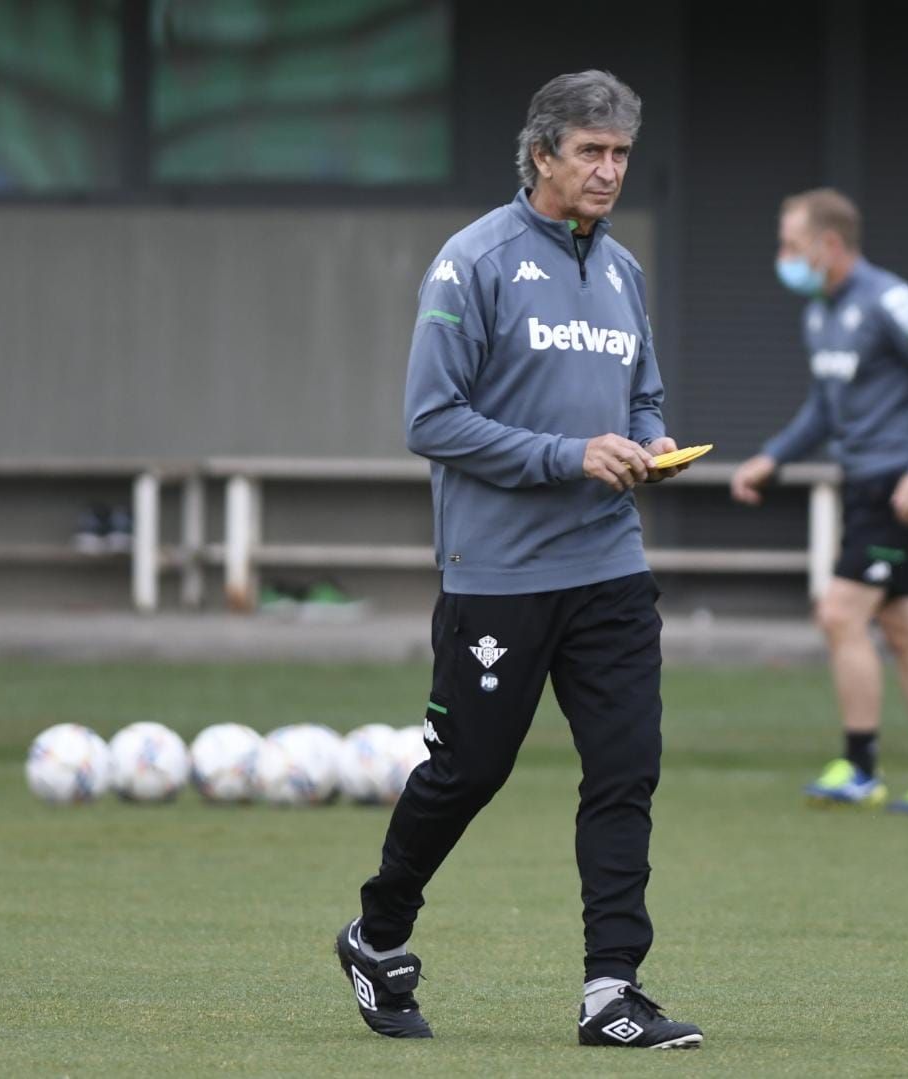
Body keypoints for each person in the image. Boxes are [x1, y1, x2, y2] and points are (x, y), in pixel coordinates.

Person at [334, 70, 702, 1050]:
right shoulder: (474, 262)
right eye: (591, 151)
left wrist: (647, 446)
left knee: (626, 770)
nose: (609, 170)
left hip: (610, 568)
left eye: (620, 153)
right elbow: (430, 417)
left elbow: (643, 395)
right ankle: (377, 934)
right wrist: (568, 455)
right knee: (470, 770)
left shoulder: (621, 271)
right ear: (541, 153)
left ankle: (611, 990)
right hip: (497, 574)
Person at [730, 188, 908, 816]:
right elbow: (826, 404)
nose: (783, 256)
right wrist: (775, 456)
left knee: (840, 614)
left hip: (898, 489)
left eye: (792, 244)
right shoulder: (820, 311)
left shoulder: (889, 301)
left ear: (830, 245)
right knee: (905, 628)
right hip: (865, 485)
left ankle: (861, 768)